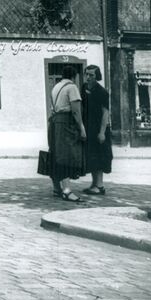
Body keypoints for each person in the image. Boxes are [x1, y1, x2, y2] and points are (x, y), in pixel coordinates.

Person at [47, 64, 87, 202]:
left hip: (55, 122)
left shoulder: (56, 87)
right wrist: (81, 127)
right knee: (67, 155)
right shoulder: (72, 87)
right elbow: (76, 111)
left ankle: (57, 188)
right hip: (66, 123)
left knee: (56, 154)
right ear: (74, 76)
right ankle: (67, 191)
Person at [81, 64, 113, 195]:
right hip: (88, 127)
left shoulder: (102, 92)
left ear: (97, 76)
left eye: (91, 75)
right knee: (92, 156)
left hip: (99, 128)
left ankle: (99, 186)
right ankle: (94, 184)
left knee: (99, 156)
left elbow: (105, 113)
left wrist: (102, 132)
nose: (88, 77)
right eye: (86, 74)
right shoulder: (83, 88)